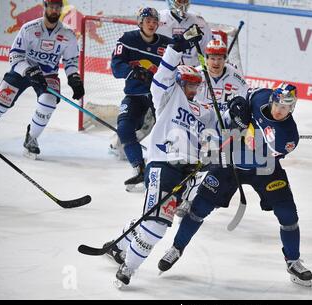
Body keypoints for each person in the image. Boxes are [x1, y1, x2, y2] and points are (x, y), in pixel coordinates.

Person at [158, 83, 312, 287]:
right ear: (272, 99)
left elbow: (259, 157)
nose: (279, 110)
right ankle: (176, 248)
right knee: (200, 208)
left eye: (285, 107)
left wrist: (246, 136)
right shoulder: (261, 96)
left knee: (288, 214)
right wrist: (237, 109)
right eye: (277, 104)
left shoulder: (288, 137)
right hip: (229, 163)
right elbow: (243, 97)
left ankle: (293, 261)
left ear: (292, 108)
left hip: (263, 168)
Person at [103, 25, 220, 287]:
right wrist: (175, 49)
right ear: (179, 82)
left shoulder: (204, 109)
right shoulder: (166, 96)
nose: (192, 87)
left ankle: (119, 245)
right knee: (158, 222)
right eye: (187, 83)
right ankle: (128, 269)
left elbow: (214, 136)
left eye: (195, 84)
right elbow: (164, 74)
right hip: (164, 164)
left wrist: (231, 123)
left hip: (188, 171)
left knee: (156, 214)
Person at [0, 0, 84, 159]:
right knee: (1, 100)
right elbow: (15, 55)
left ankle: (32, 138)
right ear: (45, 7)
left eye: (57, 7)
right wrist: (29, 70)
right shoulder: (29, 28)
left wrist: (74, 78)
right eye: (51, 7)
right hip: (23, 71)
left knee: (49, 102)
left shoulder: (68, 34)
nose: (54, 10)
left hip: (48, 75)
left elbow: (70, 61)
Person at [176, 38, 249, 216]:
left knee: (216, 166)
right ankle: (183, 197)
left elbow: (246, 99)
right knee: (192, 163)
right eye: (212, 58)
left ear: (225, 59)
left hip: (224, 128)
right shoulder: (197, 75)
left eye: (220, 58)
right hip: (199, 126)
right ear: (206, 58)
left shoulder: (234, 75)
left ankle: (197, 198)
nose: (216, 62)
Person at [110, 7, 173, 191]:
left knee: (168, 133)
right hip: (135, 95)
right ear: (140, 22)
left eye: (155, 22)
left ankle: (168, 171)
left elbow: (177, 68)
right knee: (124, 128)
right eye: (148, 21)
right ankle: (139, 168)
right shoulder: (127, 40)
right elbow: (116, 67)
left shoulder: (167, 45)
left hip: (159, 97)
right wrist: (133, 72)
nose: (152, 25)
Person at [157, 0, 212, 67]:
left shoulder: (200, 22)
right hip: (163, 69)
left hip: (191, 72)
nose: (183, 4)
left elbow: (207, 52)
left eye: (185, 0)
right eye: (179, 1)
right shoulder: (157, 19)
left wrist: (203, 68)